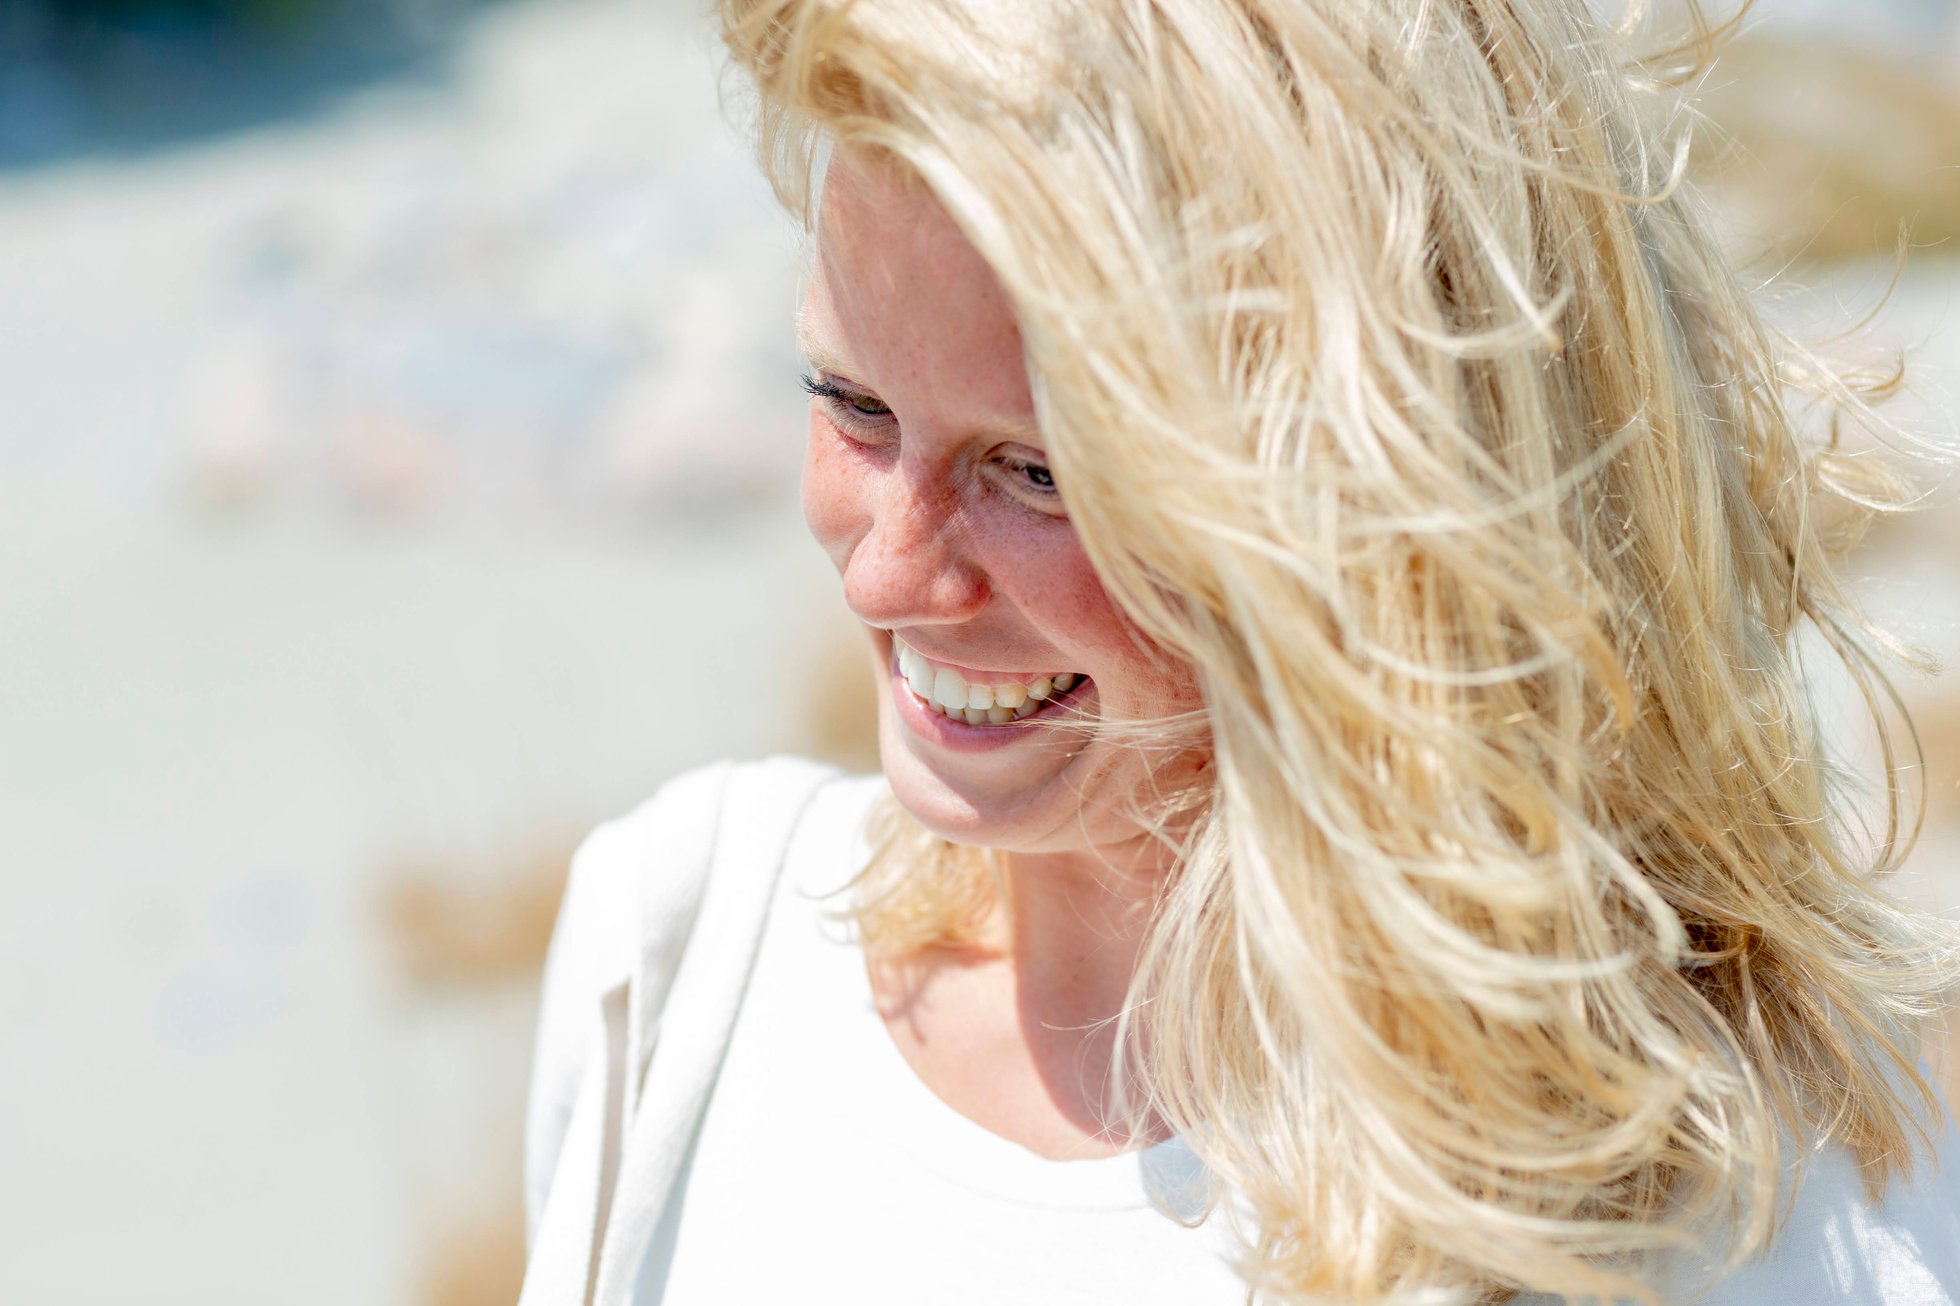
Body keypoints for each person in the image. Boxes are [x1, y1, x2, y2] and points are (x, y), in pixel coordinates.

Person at [520, 0, 1960, 1301]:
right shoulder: (682, 953)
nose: (887, 573)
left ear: (1404, 505)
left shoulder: (1756, 1208)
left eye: (1039, 472)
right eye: (852, 402)